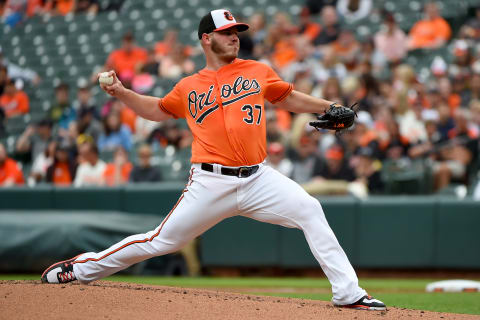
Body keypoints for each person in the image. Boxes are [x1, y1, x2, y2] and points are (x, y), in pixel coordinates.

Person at [41, 9, 386, 311]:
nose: (234, 38)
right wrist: (123, 93)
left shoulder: (256, 71)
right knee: (162, 241)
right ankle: (80, 268)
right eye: (226, 33)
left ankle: (348, 293)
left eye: (237, 32)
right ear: (207, 39)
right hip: (210, 181)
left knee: (310, 210)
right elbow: (157, 110)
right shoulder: (189, 85)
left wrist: (327, 106)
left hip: (259, 179)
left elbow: (288, 97)